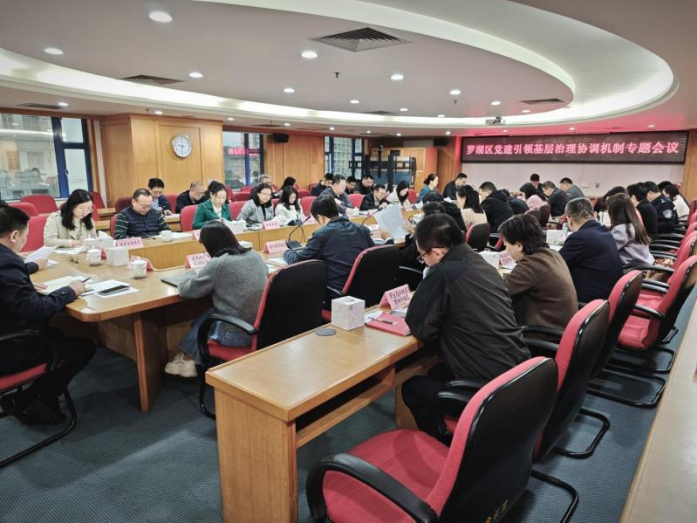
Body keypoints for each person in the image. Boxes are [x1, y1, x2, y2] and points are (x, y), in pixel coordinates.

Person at [401, 214, 530, 437]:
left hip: (490, 394)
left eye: (423, 257)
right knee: (436, 371)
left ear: (437, 252)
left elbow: (421, 328)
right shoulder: (483, 265)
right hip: (519, 376)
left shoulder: (442, 272)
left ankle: (446, 446)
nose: (425, 262)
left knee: (411, 387)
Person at [0, 206, 95, 425]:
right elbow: (35, 310)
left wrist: (23, 284)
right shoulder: (7, 262)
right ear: (14, 236)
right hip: (9, 349)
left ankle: (29, 398)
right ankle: (32, 399)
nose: (25, 240)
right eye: (25, 235)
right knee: (83, 348)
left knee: (58, 332)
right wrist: (69, 290)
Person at [165, 221, 268, 378]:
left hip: (238, 334)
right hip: (263, 328)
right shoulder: (254, 255)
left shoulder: (218, 263)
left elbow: (186, 291)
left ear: (210, 245)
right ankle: (188, 358)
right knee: (209, 313)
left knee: (208, 318)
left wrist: (189, 273)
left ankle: (188, 359)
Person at [284, 197, 373, 306]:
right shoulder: (362, 229)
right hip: (364, 291)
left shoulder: (322, 234)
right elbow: (373, 255)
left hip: (336, 295)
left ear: (320, 218)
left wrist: (286, 251)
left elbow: (296, 261)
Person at [499, 214, 577, 330]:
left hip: (544, 333)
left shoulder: (530, 266)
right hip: (562, 326)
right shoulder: (552, 254)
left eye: (506, 245)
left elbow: (499, 291)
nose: (506, 250)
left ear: (519, 246)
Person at [559, 198, 623, 303]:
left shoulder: (580, 237)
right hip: (607, 297)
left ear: (569, 219)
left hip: (591, 303)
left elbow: (555, 265)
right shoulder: (605, 233)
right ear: (593, 214)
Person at [607, 193, 654, 267]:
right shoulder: (635, 224)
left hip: (633, 269)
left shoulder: (621, 230)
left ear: (614, 212)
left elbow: (607, 250)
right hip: (645, 264)